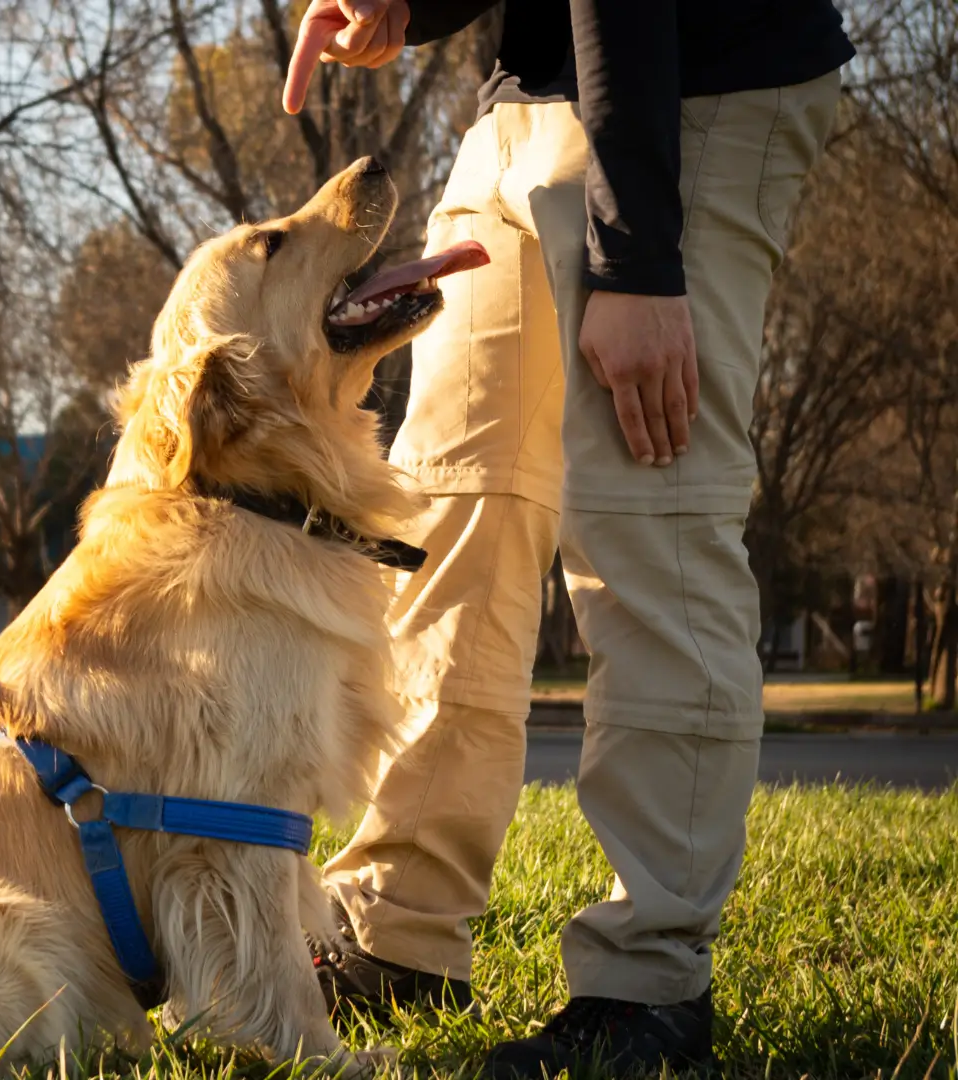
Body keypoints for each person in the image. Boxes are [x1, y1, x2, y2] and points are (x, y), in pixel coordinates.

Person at [281, 1, 852, 1076]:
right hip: (528, 95)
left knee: (651, 528)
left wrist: (636, 259)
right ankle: (397, 928)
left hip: (690, 86)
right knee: (449, 512)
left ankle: (650, 984)